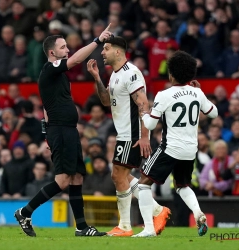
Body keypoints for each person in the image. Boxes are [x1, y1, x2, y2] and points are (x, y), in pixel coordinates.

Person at [14, 24, 113, 237]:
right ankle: (25, 212)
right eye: (63, 47)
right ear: (52, 53)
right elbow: (76, 59)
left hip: (67, 130)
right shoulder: (50, 69)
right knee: (63, 180)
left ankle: (82, 227)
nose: (67, 50)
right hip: (60, 131)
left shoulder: (57, 76)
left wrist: (47, 130)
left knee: (77, 178)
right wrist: (97, 41)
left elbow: (46, 105)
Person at [87, 36, 171, 237]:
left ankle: (125, 226)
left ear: (118, 51)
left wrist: (144, 136)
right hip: (123, 132)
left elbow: (143, 104)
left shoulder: (131, 73)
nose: (102, 52)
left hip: (132, 133)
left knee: (118, 175)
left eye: (106, 48)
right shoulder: (115, 75)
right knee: (120, 175)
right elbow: (106, 101)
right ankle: (157, 210)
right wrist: (97, 78)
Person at [134, 51, 218, 237]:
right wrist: (200, 92)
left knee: (143, 184)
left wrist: (143, 111)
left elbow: (149, 125)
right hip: (190, 151)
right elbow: (214, 113)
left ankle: (148, 229)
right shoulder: (197, 93)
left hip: (170, 148)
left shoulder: (164, 95)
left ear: (171, 74)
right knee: (182, 186)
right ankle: (198, 213)